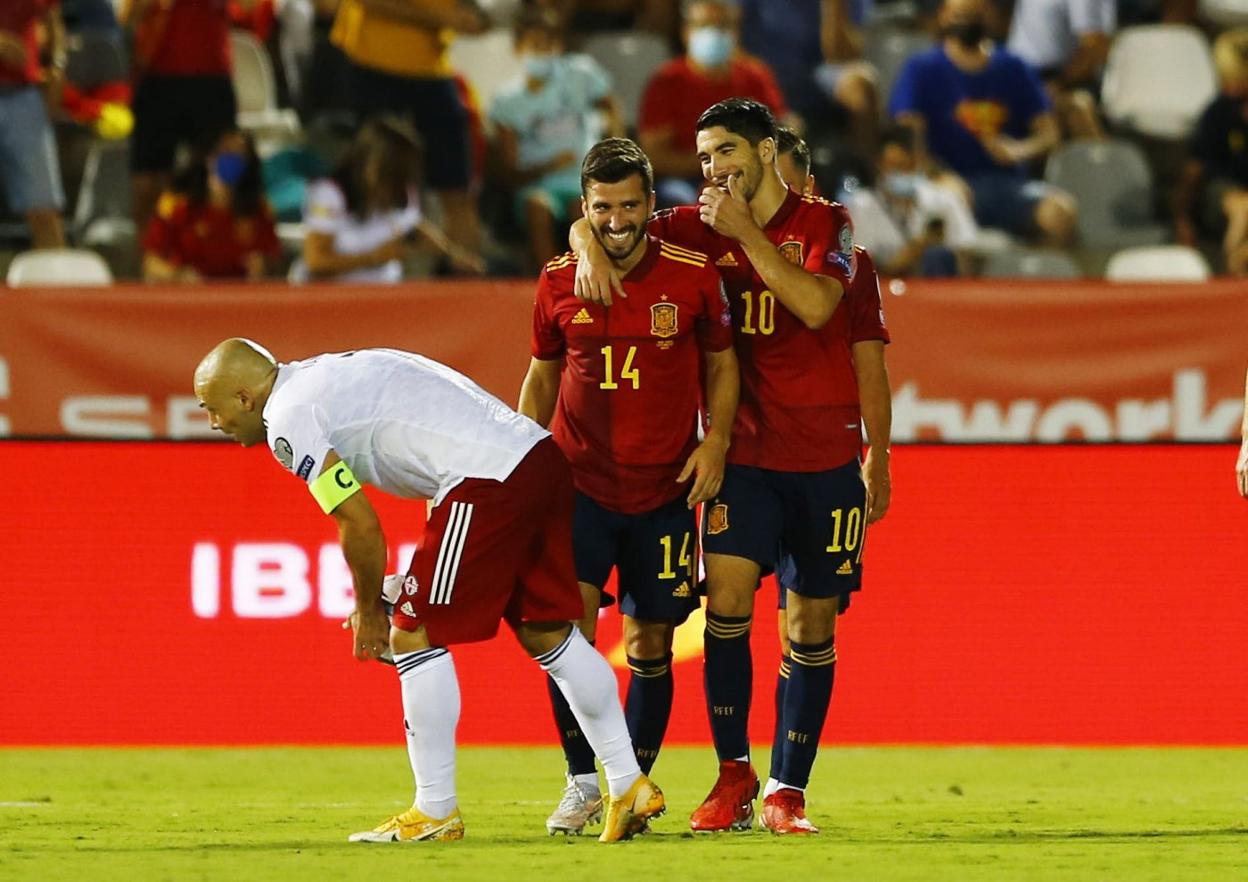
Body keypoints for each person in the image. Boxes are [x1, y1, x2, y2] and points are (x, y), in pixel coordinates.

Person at [192, 340, 666, 843]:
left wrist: (370, 610)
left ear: (244, 397)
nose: (212, 421)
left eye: (210, 406)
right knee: (546, 633)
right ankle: (628, 782)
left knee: (411, 634)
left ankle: (435, 810)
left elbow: (359, 525)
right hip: (534, 459)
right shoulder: (328, 373)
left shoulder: (286, 416)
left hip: (483, 481)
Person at [570, 98, 869, 834]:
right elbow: (616, 218)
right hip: (741, 455)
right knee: (726, 606)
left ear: (767, 151)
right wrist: (582, 240)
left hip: (825, 453)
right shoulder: (694, 224)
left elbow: (817, 307)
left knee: (811, 622)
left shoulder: (825, 223)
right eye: (704, 157)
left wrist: (747, 239)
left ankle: (787, 788)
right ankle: (734, 773)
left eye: (727, 151)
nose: (713, 169)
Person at [518, 138, 740, 834]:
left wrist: (716, 441)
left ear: (650, 204)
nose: (616, 221)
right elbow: (542, 376)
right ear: (584, 209)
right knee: (565, 631)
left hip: (665, 490)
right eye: (601, 209)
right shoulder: (557, 280)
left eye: (629, 205)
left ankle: (632, 783)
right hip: (579, 486)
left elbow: (723, 368)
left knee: (650, 644)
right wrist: (519, 465)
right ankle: (585, 781)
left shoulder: (691, 273)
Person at [889, 0, 1077, 246]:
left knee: (1060, 212)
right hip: (949, 182)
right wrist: (935, 173)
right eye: (959, 14)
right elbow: (907, 132)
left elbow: (1049, 134)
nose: (966, 22)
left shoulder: (1013, 67)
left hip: (1010, 186)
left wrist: (1018, 150)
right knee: (950, 202)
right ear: (943, 16)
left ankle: (1034, 276)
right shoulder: (922, 68)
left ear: (989, 15)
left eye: (974, 14)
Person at [330, 0, 487, 262]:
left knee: (458, 190)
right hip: (374, 64)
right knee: (374, 185)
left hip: (434, 69)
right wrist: (439, 18)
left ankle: (471, 285)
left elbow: (477, 13)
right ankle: (374, 281)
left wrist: (475, 18)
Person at [489, 7, 620, 269]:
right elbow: (509, 170)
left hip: (585, 179)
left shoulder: (580, 73)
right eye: (535, 45)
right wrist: (549, 166)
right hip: (538, 183)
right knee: (537, 208)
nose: (543, 52)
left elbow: (611, 108)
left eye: (549, 44)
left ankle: (594, 276)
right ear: (518, 49)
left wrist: (615, 155)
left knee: (581, 209)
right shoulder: (506, 101)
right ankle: (549, 281)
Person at [638, 0, 790, 208]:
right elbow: (655, 155)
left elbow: (781, 131)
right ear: (686, 32)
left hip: (751, 175)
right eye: (704, 25)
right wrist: (718, 162)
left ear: (735, 32)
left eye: (722, 25)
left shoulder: (756, 76)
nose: (714, 33)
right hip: (687, 180)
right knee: (677, 199)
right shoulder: (667, 81)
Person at [297, 117, 483, 282]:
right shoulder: (329, 194)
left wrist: (452, 255)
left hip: (384, 293)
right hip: (334, 298)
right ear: (372, 168)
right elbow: (316, 261)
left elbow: (413, 227)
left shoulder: (403, 191)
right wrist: (374, 257)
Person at [121, 0, 244, 237]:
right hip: (157, 79)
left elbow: (248, 7)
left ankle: (221, 260)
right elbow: (128, 17)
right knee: (147, 185)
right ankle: (151, 263)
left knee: (225, 178)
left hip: (213, 80)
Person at [739, 0, 879, 157]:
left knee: (860, 84)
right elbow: (735, 42)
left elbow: (843, 55)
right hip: (766, 71)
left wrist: (833, 7)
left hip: (820, 71)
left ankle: (863, 172)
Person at [142, 129, 280, 282]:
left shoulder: (259, 209)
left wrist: (262, 267)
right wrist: (179, 275)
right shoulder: (176, 204)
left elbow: (272, 260)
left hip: (237, 298)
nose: (232, 159)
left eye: (240, 154)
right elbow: (151, 264)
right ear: (210, 157)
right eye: (227, 151)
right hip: (188, 297)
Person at [845, 124, 979, 276]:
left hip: (938, 290)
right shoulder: (861, 204)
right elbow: (863, 268)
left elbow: (967, 253)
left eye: (909, 166)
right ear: (879, 164)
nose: (903, 173)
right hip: (883, 292)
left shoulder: (943, 199)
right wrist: (920, 246)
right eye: (895, 166)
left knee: (937, 255)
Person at [1174, 29, 1248, 276]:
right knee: (1244, 209)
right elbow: (1195, 170)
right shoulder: (1218, 113)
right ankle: (1231, 281)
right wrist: (1182, 216)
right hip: (1219, 193)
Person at [0, 0, 67, 250]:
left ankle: (58, 287)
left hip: (24, 97)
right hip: (22, 98)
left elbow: (52, 18)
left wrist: (57, 66)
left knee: (44, 210)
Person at [1005, 0, 1114, 139]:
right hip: (1017, 76)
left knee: (1075, 107)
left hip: (1062, 81)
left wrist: (1059, 83)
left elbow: (1096, 46)